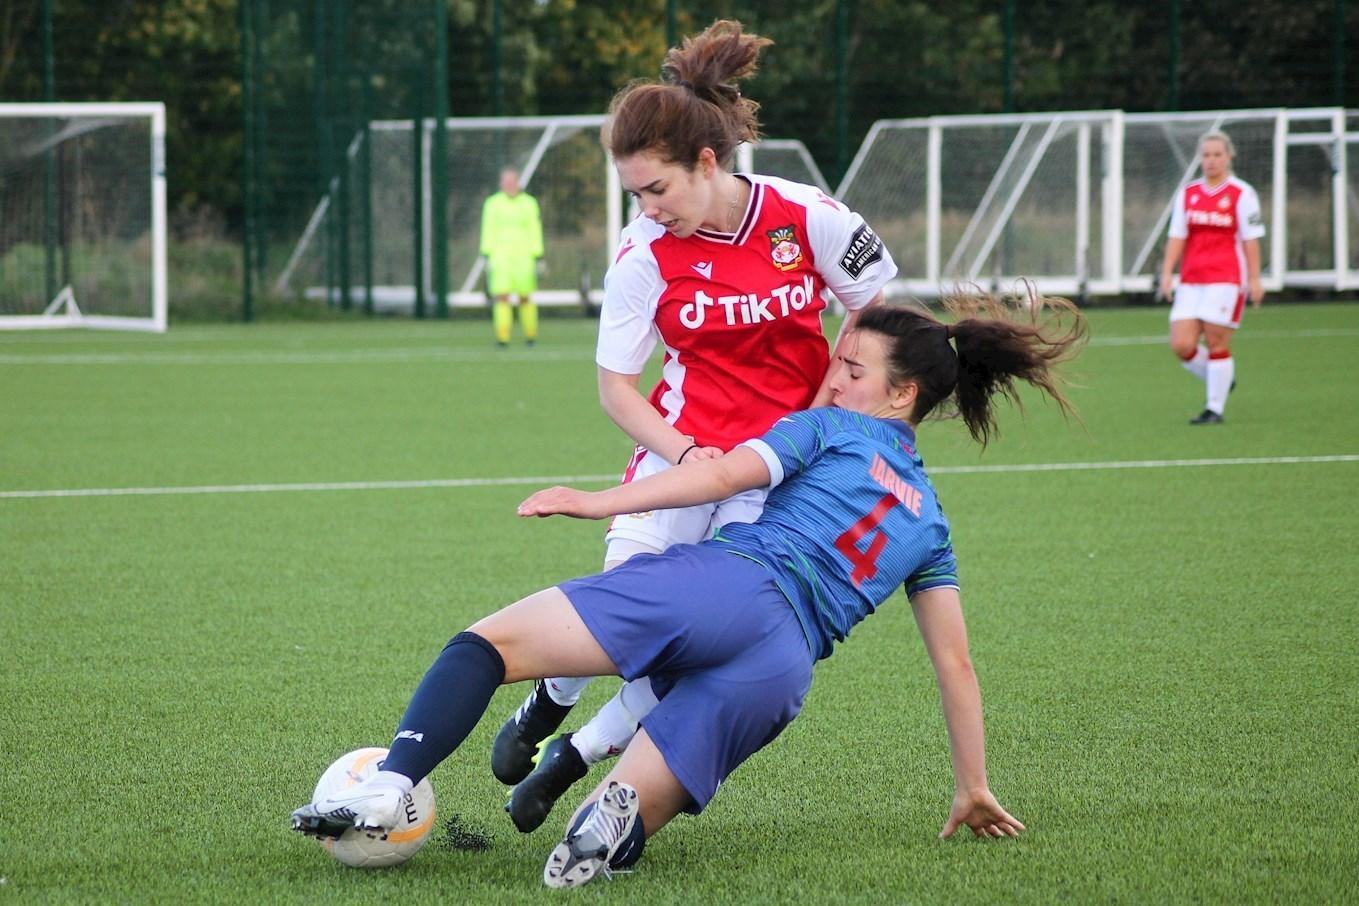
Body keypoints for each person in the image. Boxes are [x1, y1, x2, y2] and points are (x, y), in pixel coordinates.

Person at [291, 292, 1085, 889]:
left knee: (487, 645)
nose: (831, 378)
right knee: (630, 804)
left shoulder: (830, 428)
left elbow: (717, 474)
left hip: (725, 584)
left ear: (899, 394)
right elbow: (956, 665)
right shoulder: (930, 520)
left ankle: (389, 787)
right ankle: (613, 816)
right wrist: (971, 785)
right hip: (780, 670)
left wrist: (596, 501)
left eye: (850, 368)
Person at [488, 17, 896, 829]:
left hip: (773, 473)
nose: (644, 208)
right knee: (621, 604)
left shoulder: (805, 216)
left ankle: (577, 756)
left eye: (654, 189)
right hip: (679, 451)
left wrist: (819, 415)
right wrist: (686, 451)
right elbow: (616, 389)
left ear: (706, 162)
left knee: (697, 640)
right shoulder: (643, 252)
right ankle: (548, 701)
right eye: (634, 193)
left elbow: (880, 318)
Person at [1158, 130, 1265, 425]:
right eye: (1206, 155)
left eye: (1217, 154)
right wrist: (1167, 272)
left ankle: (1214, 408)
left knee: (1217, 341)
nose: (1211, 161)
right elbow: (1177, 234)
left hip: (1226, 279)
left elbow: (1251, 238)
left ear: (1229, 156)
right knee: (1181, 344)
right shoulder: (1189, 193)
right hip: (1192, 279)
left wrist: (1254, 279)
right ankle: (1219, 377)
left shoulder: (1242, 193)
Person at [481, 167, 544, 347]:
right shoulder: (492, 204)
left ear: (518, 183)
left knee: (525, 297)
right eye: (505, 182)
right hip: (500, 258)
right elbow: (488, 229)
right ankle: (503, 337)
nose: (509, 185)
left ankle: (530, 335)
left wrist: (538, 254)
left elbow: (535, 229)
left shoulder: (529, 203)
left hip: (524, 257)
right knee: (501, 297)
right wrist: (486, 253)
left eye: (512, 181)